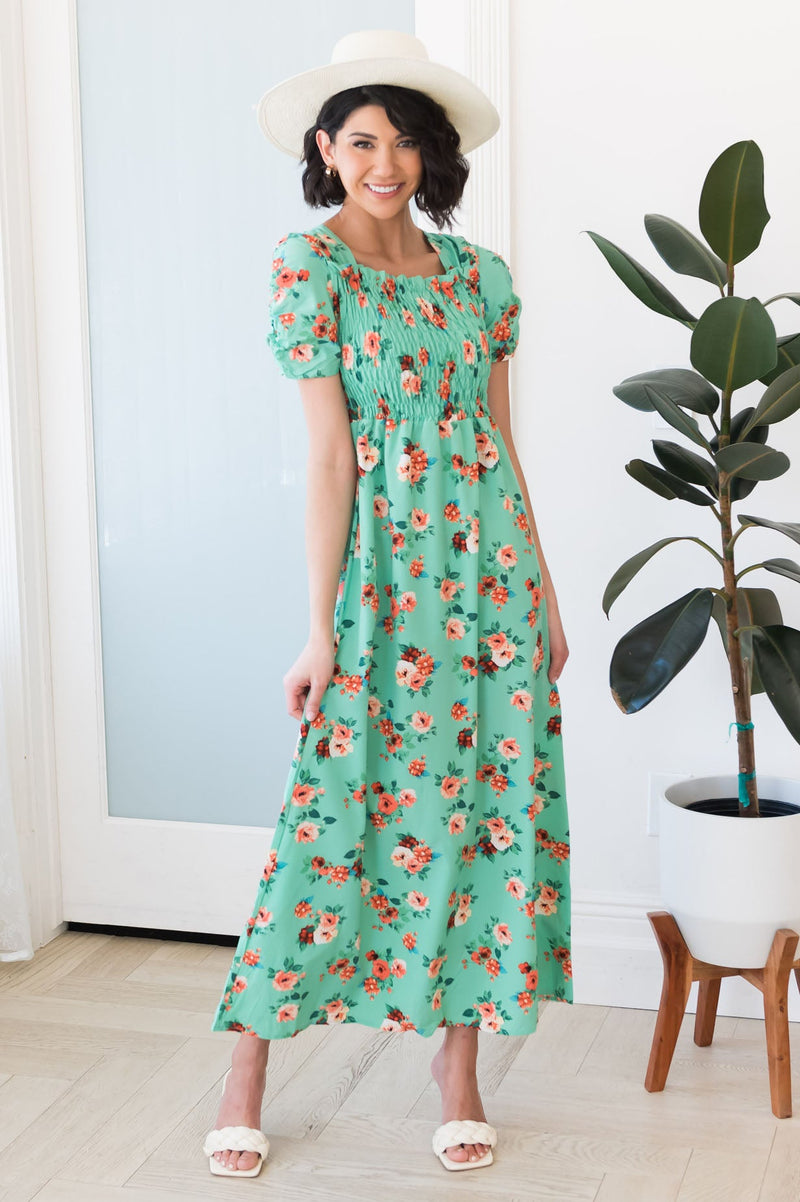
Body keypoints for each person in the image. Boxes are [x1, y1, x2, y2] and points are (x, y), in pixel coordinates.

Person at [203, 28, 571, 1179]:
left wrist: (545, 593)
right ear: (325, 148)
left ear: (430, 154)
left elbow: (499, 443)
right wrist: (318, 629)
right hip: (380, 586)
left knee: (481, 814)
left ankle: (457, 1071)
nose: (385, 162)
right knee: (329, 814)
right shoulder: (308, 270)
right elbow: (329, 458)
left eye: (404, 142)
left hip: (490, 585)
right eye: (362, 140)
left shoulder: (479, 278)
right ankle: (247, 1067)